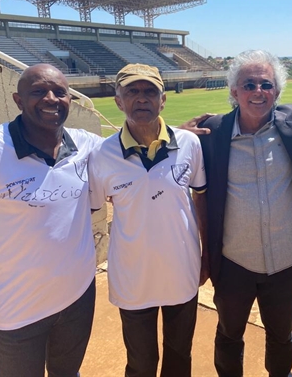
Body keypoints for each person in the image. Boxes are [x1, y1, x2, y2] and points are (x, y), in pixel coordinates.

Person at [197, 49, 292, 377]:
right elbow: (169, 146)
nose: (258, 92)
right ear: (234, 92)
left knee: (282, 336)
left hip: (284, 261)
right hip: (233, 262)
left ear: (277, 91)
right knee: (230, 334)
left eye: (266, 85)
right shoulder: (213, 132)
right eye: (249, 84)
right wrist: (173, 127)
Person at [0, 64, 102, 376]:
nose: (51, 98)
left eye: (60, 92)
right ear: (18, 100)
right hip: (15, 308)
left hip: (77, 297)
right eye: (38, 91)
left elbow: (132, 148)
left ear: (70, 99)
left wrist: (182, 133)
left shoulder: (88, 146)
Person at [88, 63, 208, 377]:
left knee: (179, 358)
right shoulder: (102, 155)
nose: (141, 99)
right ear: (118, 100)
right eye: (132, 92)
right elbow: (87, 208)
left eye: (149, 91)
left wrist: (205, 255)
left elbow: (201, 197)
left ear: (163, 99)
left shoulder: (189, 144)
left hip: (181, 271)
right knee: (140, 363)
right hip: (131, 276)